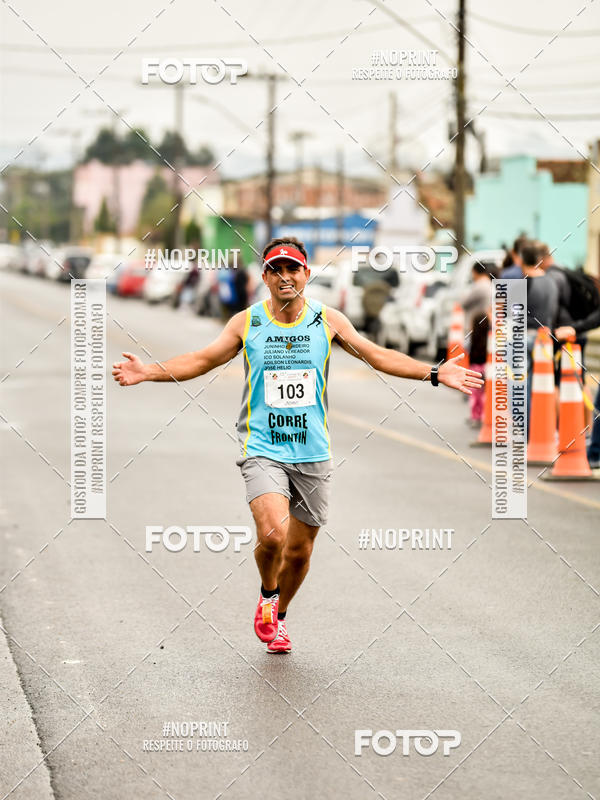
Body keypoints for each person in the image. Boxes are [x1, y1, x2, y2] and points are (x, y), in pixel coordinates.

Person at [112, 237, 484, 654]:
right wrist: (149, 371)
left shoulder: (327, 320)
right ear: (265, 277)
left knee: (300, 552)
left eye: (293, 269)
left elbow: (376, 354)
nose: (285, 277)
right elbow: (202, 359)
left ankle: (280, 614)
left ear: (306, 274)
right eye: (276, 270)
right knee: (273, 535)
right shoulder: (247, 322)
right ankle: (267, 594)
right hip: (263, 448)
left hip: (312, 452)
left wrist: (433, 373)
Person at [521, 241, 560, 437]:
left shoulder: (524, 283)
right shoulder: (551, 282)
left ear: (522, 260)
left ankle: (528, 430)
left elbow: (511, 315)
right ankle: (546, 429)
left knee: (522, 386)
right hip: (546, 337)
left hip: (525, 337)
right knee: (544, 386)